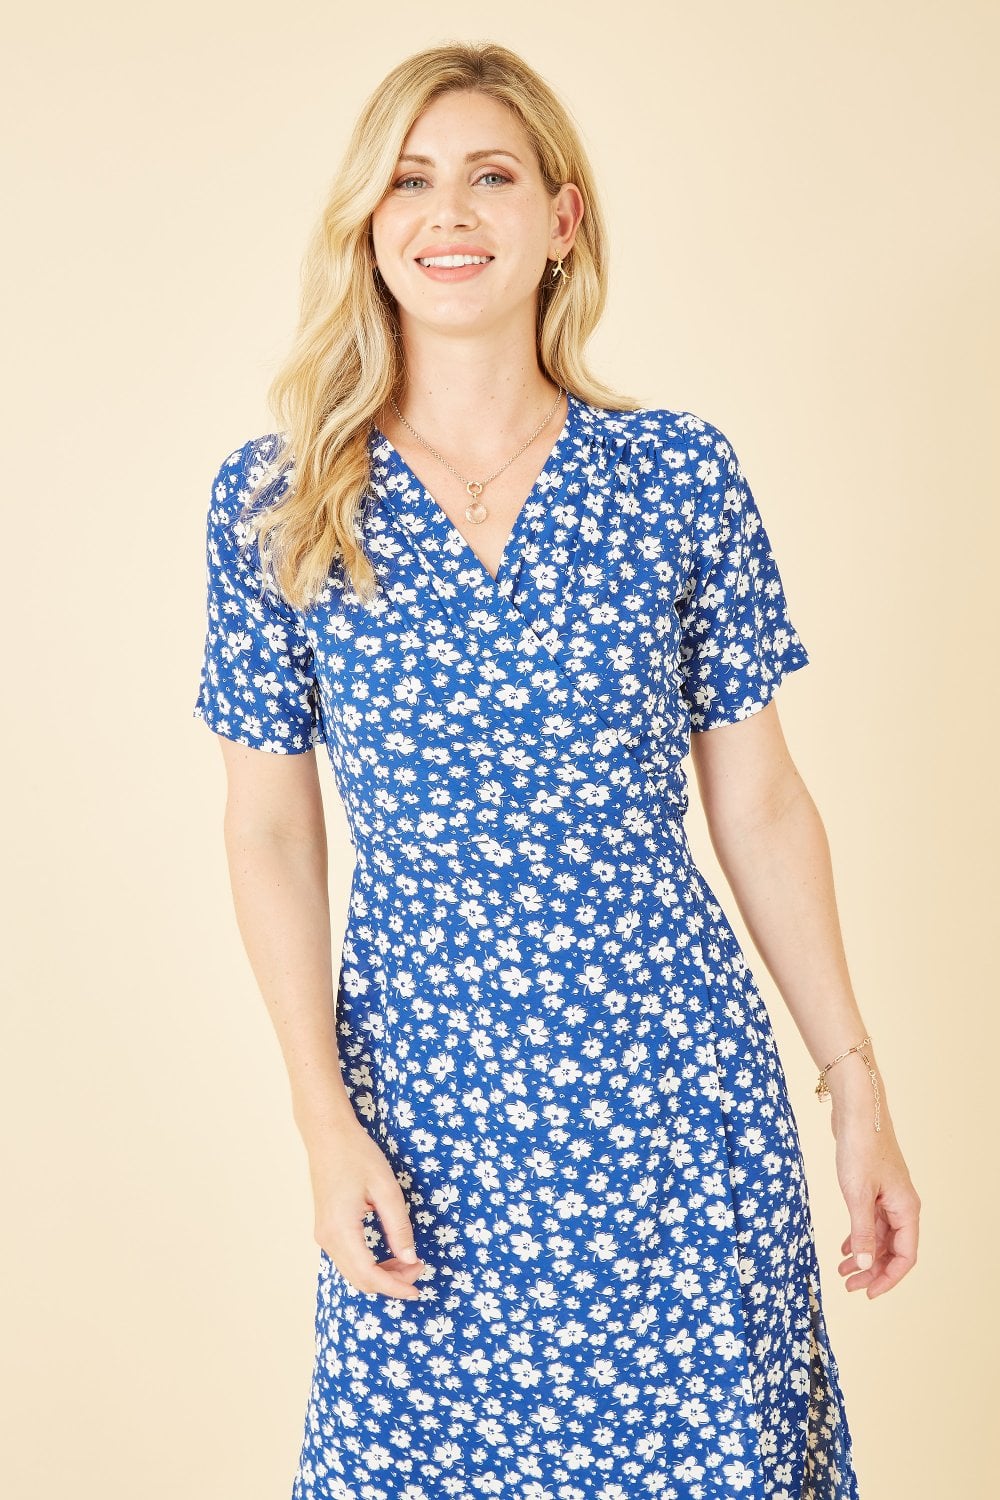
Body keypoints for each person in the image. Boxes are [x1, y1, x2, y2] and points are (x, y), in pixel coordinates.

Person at [192, 39, 920, 1500]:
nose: (449, 213)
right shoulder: (279, 499)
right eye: (410, 181)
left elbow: (760, 798)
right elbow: (269, 831)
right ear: (368, 222)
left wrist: (855, 1082)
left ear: (561, 219)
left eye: (491, 176)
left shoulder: (678, 477)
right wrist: (322, 1120)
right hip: (426, 1109)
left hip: (676, 1098)